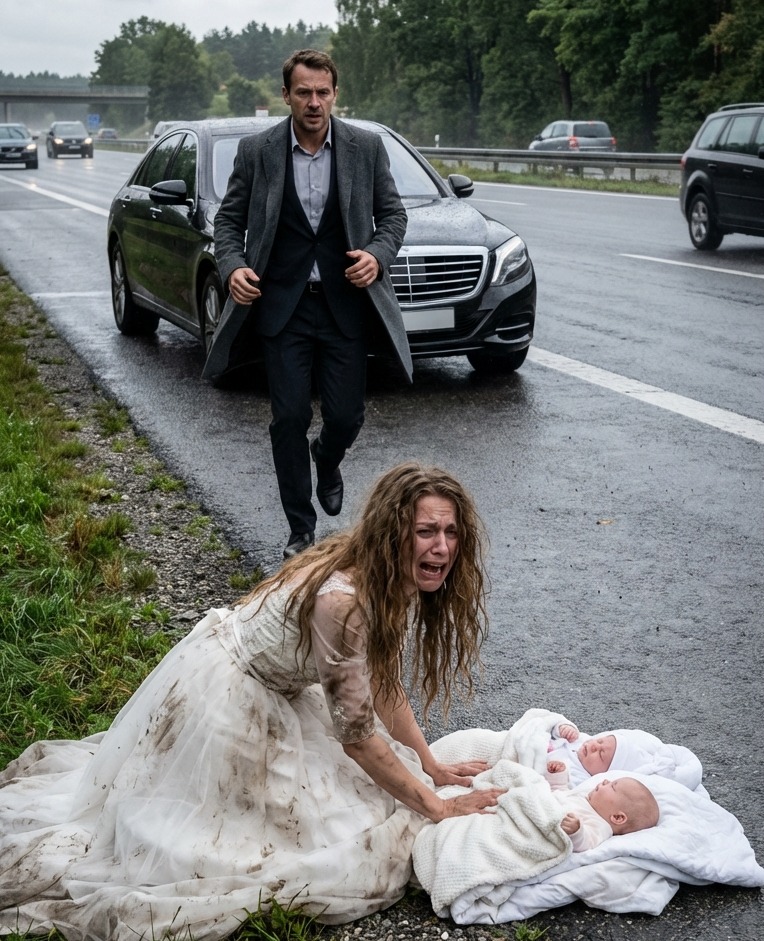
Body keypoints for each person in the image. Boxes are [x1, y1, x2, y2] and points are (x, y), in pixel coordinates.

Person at [0, 463, 503, 940]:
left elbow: (384, 682)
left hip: (278, 691)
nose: (442, 546)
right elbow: (358, 738)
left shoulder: (386, 574)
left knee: (360, 806)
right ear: (393, 534)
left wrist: (432, 767)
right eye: (425, 532)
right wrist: (438, 807)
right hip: (227, 699)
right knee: (240, 851)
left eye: (451, 532)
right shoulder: (344, 601)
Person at [205, 48, 412, 560]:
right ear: (286, 96)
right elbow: (228, 222)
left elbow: (393, 218)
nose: (314, 103)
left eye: (323, 93)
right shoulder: (258, 151)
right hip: (283, 307)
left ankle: (328, 453)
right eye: (304, 93)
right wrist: (233, 267)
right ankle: (300, 528)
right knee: (288, 417)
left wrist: (377, 257)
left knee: (346, 416)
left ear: (335, 94)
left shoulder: (365, 148)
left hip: (345, 304)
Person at [547, 719, 705, 791]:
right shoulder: (580, 739)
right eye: (600, 741)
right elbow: (549, 725)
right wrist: (562, 727)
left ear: (606, 773)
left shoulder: (583, 779)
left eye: (601, 754)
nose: (594, 746)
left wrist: (557, 776)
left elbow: (563, 793)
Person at [546, 760, 660, 852]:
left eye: (612, 786)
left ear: (617, 817)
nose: (605, 781)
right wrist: (557, 776)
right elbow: (560, 793)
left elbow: (586, 843)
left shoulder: (600, 826)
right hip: (544, 801)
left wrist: (576, 831)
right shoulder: (584, 798)